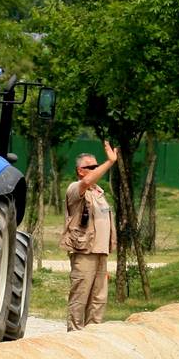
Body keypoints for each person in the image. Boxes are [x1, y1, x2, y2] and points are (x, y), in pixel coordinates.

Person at [62, 142, 119, 331]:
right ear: (80, 171)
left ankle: (93, 335)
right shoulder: (75, 189)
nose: (96, 170)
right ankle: (75, 336)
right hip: (85, 253)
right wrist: (110, 162)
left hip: (101, 253)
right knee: (80, 297)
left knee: (98, 299)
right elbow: (86, 183)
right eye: (91, 167)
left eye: (97, 166)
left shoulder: (99, 193)